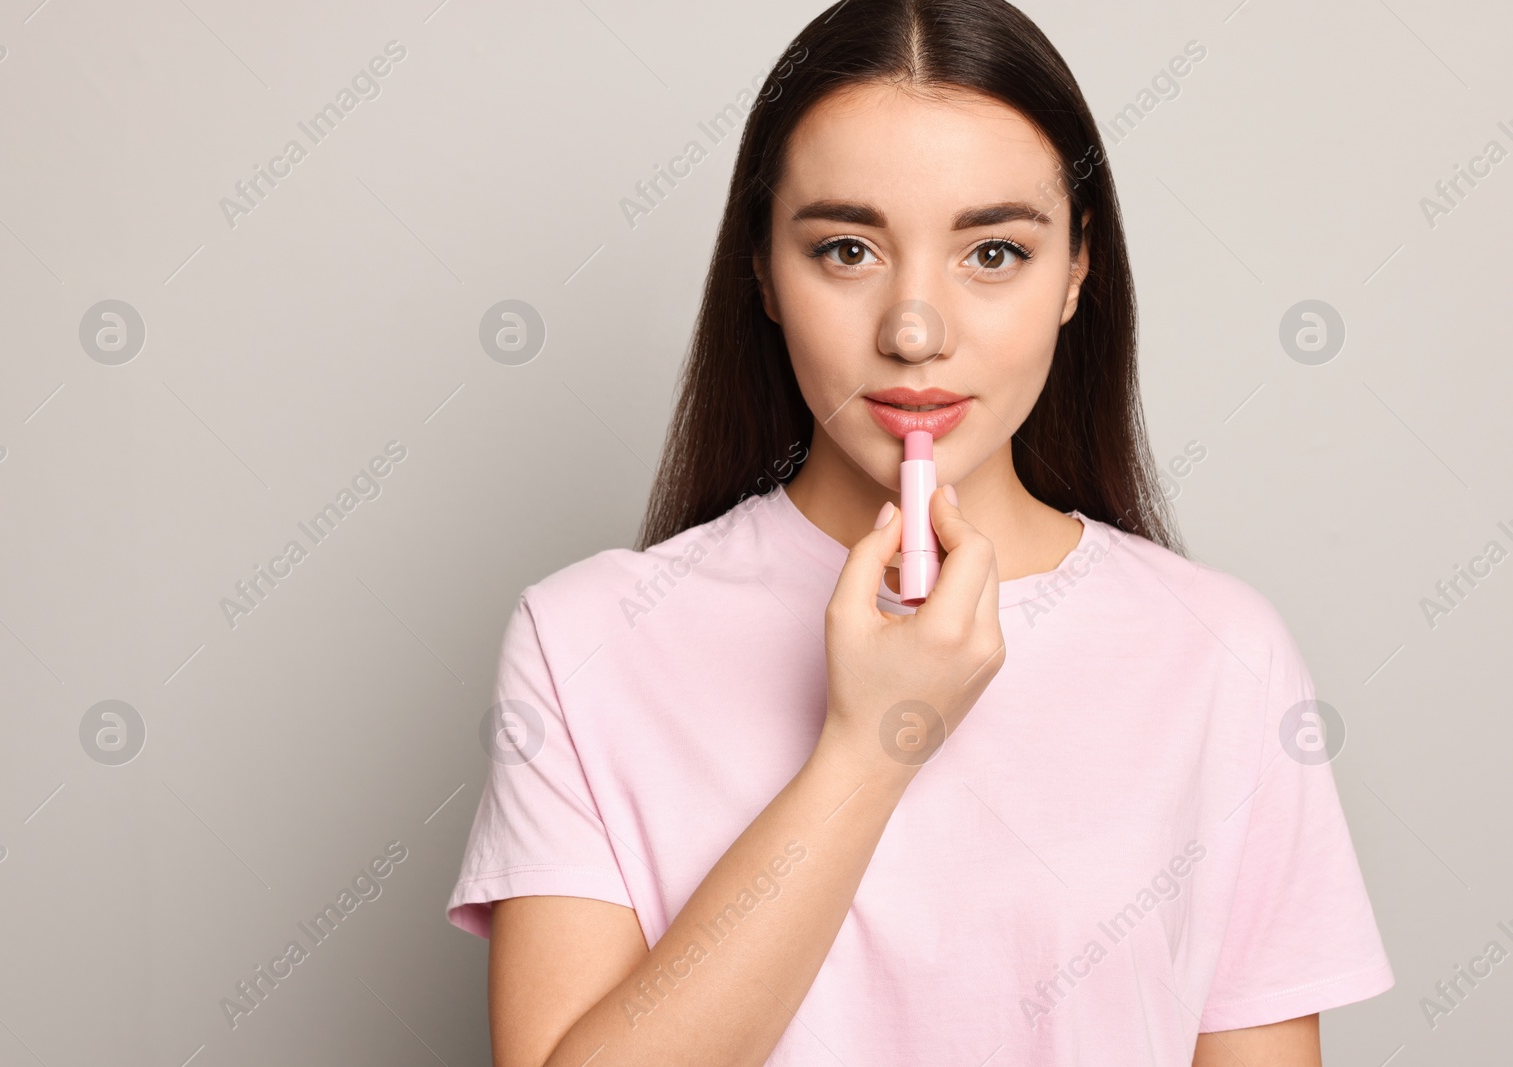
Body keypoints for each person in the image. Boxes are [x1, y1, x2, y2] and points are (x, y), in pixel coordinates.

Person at [447, 1, 1394, 1063]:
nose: (913, 328)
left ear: (1077, 270)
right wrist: (868, 747)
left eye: (992, 251)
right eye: (846, 248)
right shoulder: (583, 642)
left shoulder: (1222, 654)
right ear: (761, 271)